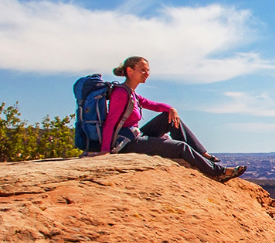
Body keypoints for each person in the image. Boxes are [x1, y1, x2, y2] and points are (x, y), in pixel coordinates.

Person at [100, 56, 246, 181]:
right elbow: (110, 122)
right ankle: (218, 172)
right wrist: (105, 151)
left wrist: (171, 109)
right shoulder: (121, 93)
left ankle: (202, 154)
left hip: (133, 135)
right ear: (129, 71)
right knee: (180, 147)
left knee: (167, 117)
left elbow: (154, 105)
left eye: (148, 70)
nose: (146, 73)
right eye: (142, 70)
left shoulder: (131, 93)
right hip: (125, 144)